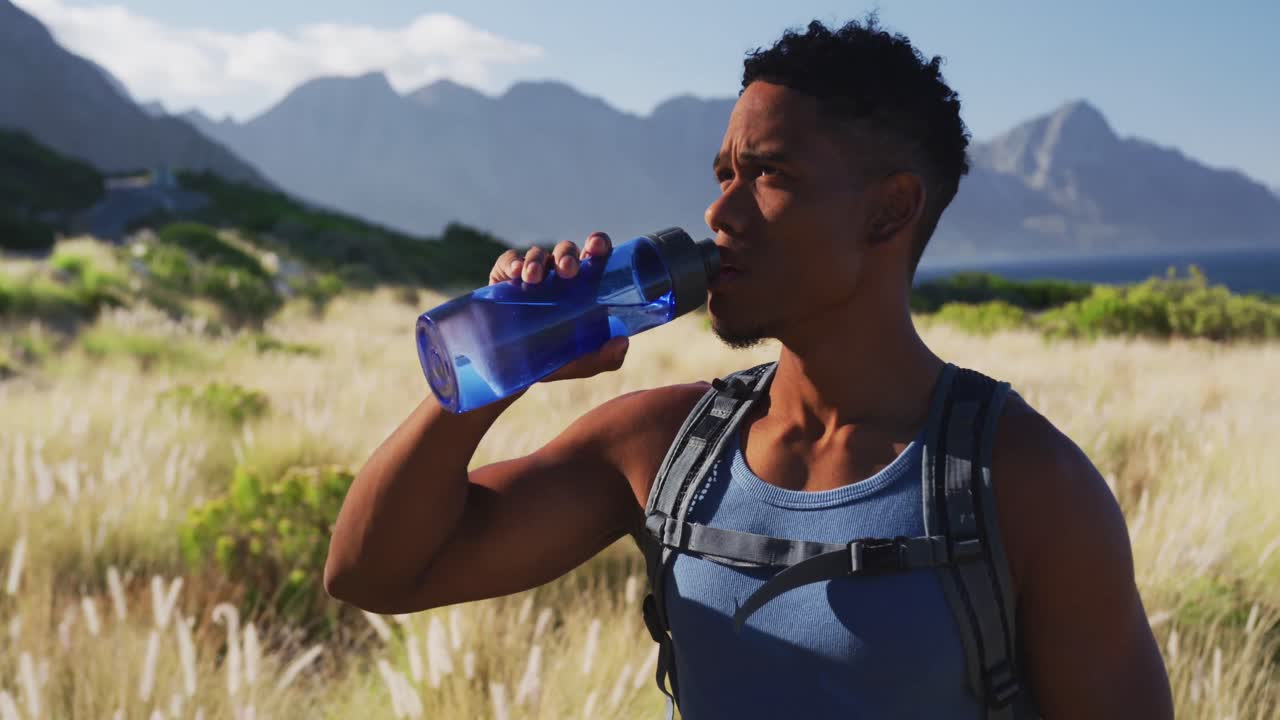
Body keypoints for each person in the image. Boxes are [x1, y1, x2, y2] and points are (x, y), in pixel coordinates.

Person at [325, 14, 1173, 718]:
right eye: (725, 172)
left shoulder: (1024, 485)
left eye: (768, 175)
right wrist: (502, 358)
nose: (719, 210)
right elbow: (376, 573)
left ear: (890, 210)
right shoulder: (662, 445)